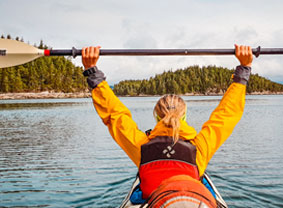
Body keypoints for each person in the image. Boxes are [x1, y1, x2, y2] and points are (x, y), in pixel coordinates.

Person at [82, 44, 253, 207]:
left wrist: (92, 72)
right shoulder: (200, 146)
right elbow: (227, 114)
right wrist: (243, 70)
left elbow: (115, 116)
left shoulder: (141, 147)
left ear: (157, 117)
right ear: (184, 116)